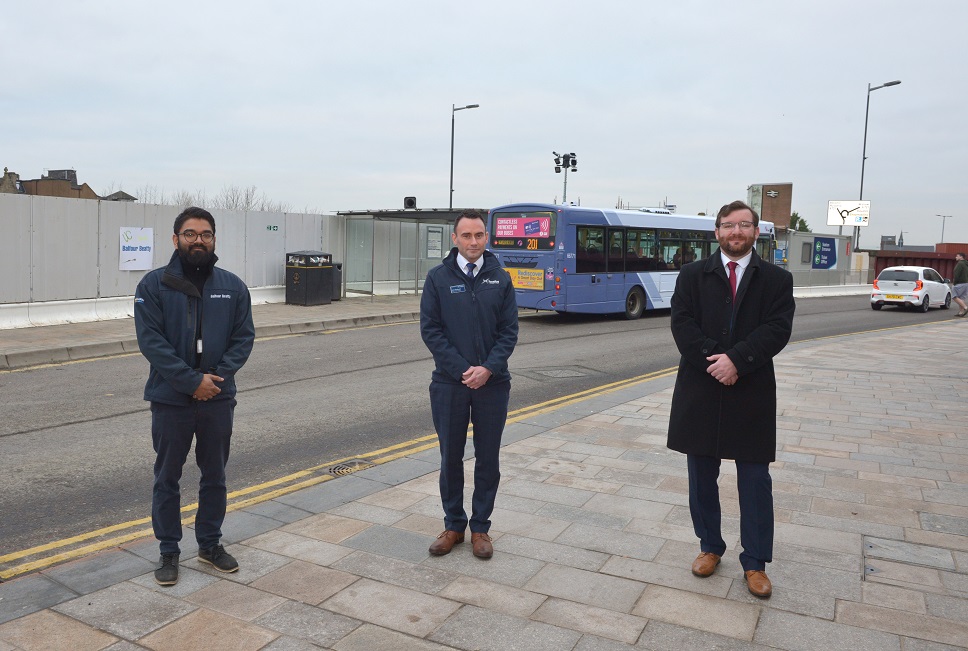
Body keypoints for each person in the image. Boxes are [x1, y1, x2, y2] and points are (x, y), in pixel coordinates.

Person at [666, 200, 795, 598]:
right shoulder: (691, 274)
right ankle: (710, 546)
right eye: (728, 225)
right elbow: (681, 324)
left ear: (756, 232)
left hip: (751, 390)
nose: (735, 232)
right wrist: (715, 361)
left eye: (743, 225)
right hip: (701, 390)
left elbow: (778, 328)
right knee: (701, 478)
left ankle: (755, 562)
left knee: (755, 481)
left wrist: (737, 360)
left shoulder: (776, 279)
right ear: (716, 232)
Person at [135, 206, 255, 586]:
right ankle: (169, 551)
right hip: (171, 399)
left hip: (218, 397)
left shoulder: (232, 286)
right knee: (167, 477)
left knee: (214, 475)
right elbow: (152, 343)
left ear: (214, 239)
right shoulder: (153, 286)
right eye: (190, 234)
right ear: (176, 239)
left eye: (205, 234)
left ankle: (210, 544)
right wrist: (191, 382)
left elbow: (243, 337)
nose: (197, 240)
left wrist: (214, 380)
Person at [420, 209, 518, 560]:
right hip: (450, 384)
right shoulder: (438, 278)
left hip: (493, 384)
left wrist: (488, 369)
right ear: (455, 239)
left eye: (479, 235)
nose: (473, 242)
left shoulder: (500, 278)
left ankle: (481, 529)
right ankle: (453, 526)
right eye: (466, 236)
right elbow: (431, 331)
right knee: (451, 458)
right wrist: (464, 370)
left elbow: (509, 332)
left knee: (488, 459)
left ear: (486, 238)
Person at [952, 252, 968, 317]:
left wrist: (954, 283)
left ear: (961, 257)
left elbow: (957, 274)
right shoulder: (966, 264)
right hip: (966, 283)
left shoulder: (960, 264)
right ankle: (961, 312)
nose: (956, 257)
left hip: (959, 283)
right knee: (961, 297)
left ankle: (965, 307)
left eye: (957, 256)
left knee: (954, 296)